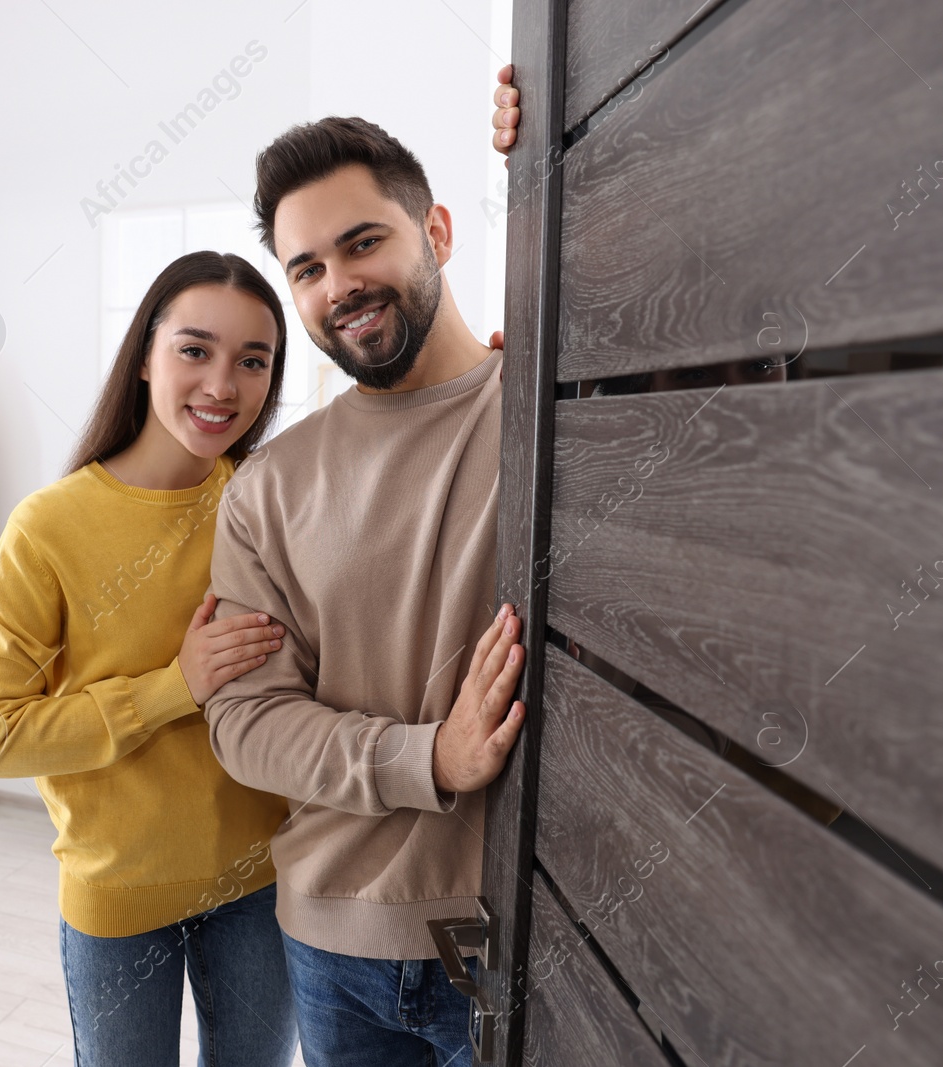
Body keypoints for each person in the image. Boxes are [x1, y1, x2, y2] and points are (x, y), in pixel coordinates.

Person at [201, 112, 528, 1064]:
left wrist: (545, 122)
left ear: (436, 234)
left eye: (362, 243)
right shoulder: (270, 484)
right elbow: (245, 722)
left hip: (506, 932)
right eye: (307, 269)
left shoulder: (554, 413)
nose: (339, 286)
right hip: (329, 944)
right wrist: (430, 758)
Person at [0, 251, 299, 1066]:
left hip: (262, 881)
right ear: (144, 357)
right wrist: (173, 687)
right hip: (119, 895)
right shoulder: (50, 527)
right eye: (195, 349)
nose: (223, 384)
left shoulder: (269, 500)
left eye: (254, 360)